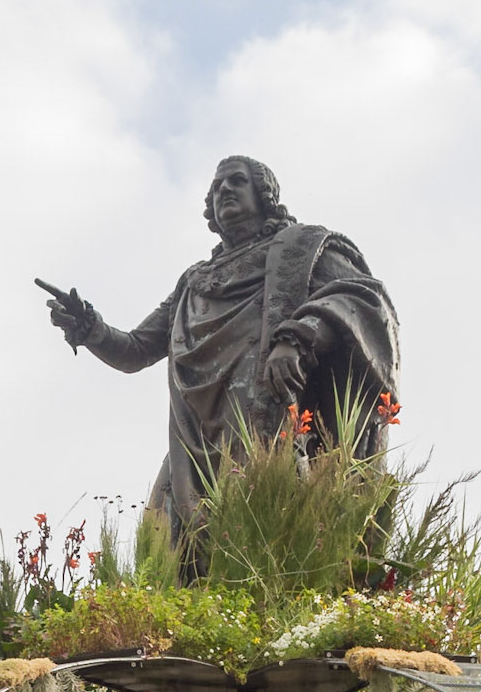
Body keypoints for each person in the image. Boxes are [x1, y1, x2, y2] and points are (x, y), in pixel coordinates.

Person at [41, 156, 400, 551]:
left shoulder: (303, 248)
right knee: (172, 543)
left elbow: (363, 302)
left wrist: (298, 338)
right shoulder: (194, 282)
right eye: (216, 187)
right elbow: (137, 350)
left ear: (264, 195)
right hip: (194, 434)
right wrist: (90, 328)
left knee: (270, 527)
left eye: (237, 181)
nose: (223, 190)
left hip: (267, 416)